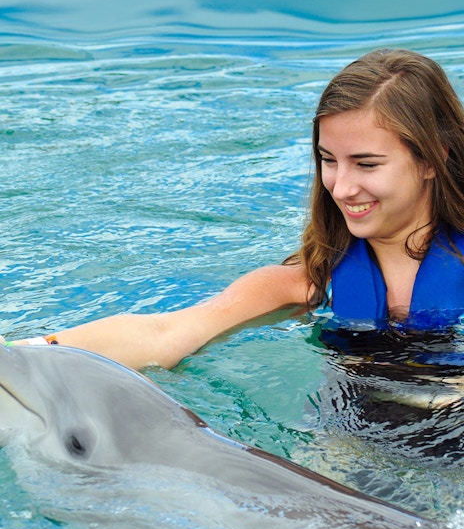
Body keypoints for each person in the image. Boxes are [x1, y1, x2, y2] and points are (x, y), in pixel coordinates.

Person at [6, 48, 464, 375]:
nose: (341, 187)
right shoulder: (309, 282)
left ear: (431, 158)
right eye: (328, 160)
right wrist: (21, 355)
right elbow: (167, 332)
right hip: (353, 448)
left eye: (366, 164)